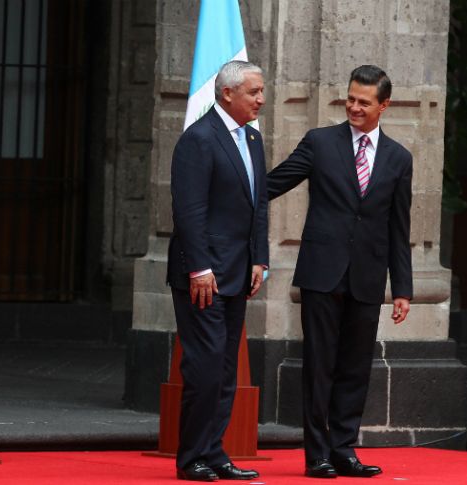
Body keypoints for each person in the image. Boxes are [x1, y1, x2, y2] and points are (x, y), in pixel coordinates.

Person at [267, 65, 413, 479]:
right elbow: (273, 184)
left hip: (367, 277)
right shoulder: (320, 142)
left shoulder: (399, 158)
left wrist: (401, 287)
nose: (354, 107)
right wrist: (228, 194)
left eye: (364, 102)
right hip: (321, 273)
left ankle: (344, 449)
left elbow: (398, 229)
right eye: (350, 98)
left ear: (384, 105)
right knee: (319, 365)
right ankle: (317, 455)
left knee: (355, 366)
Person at [166, 60, 268, 482]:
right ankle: (192, 458)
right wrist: (201, 268)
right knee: (205, 366)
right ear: (227, 93)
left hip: (239, 272)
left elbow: (258, 203)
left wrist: (260, 257)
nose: (261, 99)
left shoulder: (254, 139)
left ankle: (214, 451)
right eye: (253, 92)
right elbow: (189, 211)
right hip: (203, 276)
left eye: (261, 91)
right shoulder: (199, 139)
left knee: (226, 368)